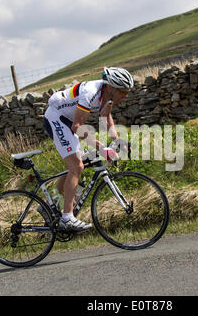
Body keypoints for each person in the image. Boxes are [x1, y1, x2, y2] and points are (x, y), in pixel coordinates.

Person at [43, 67, 134, 232]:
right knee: (77, 166)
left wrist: (117, 139)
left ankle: (50, 202)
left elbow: (106, 117)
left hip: (66, 121)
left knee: (77, 162)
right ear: (111, 87)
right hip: (56, 117)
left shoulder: (108, 95)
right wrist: (102, 148)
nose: (126, 95)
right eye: (123, 91)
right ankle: (67, 218)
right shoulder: (90, 92)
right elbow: (77, 127)